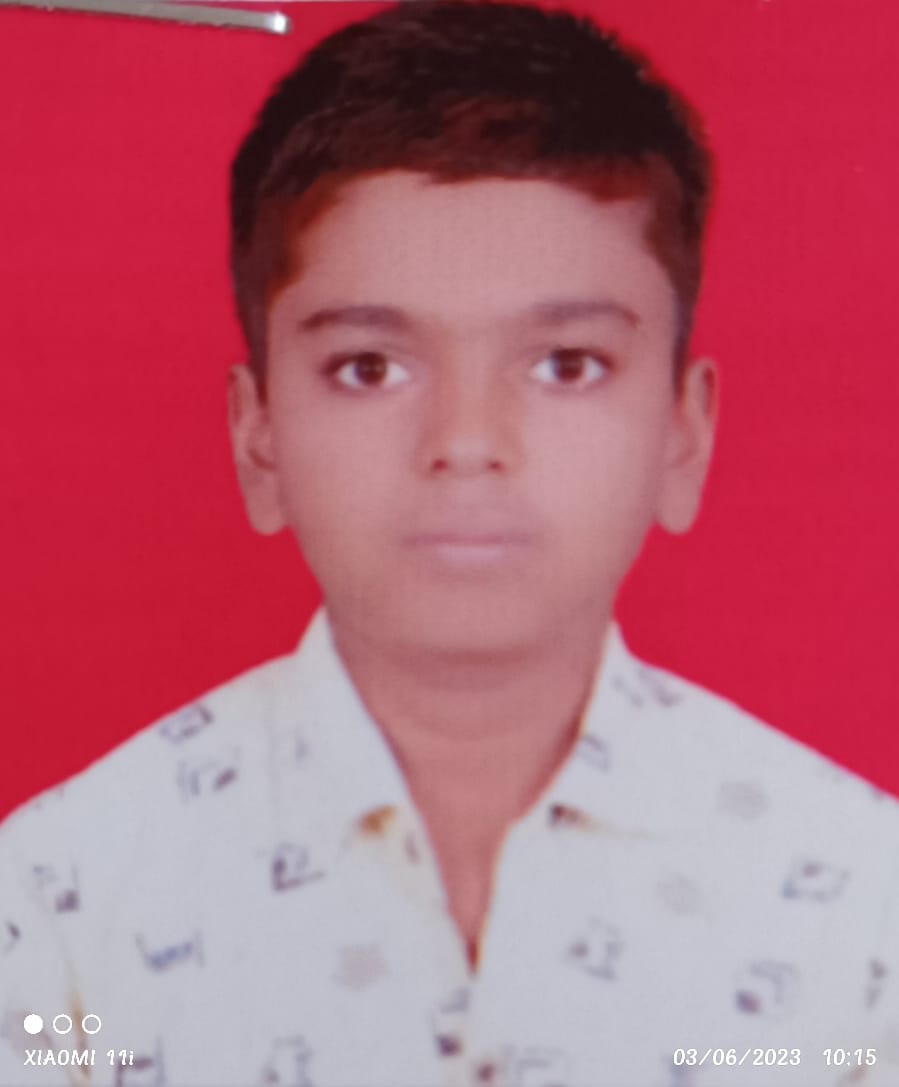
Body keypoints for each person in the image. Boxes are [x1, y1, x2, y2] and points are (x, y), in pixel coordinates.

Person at [2, 2, 897, 1085]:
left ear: (682, 434)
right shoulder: (57, 906)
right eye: (369, 367)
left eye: (565, 364)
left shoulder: (856, 907)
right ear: (257, 438)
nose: (466, 442)